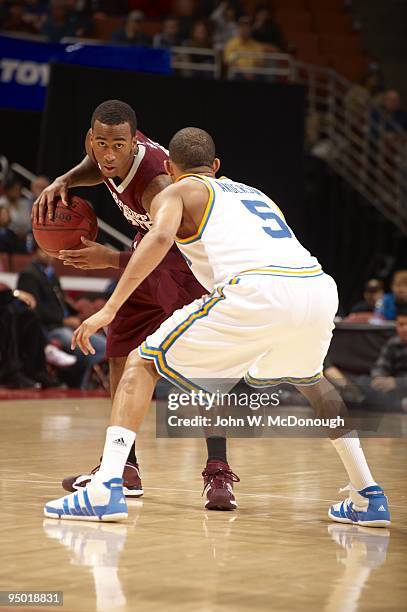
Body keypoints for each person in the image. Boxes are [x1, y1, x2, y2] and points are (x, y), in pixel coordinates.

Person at [44, 127, 390, 528]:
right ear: (217, 166)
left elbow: (157, 241)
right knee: (314, 382)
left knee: (141, 362)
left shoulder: (176, 191)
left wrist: (109, 309)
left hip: (257, 287)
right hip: (316, 286)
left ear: (171, 168)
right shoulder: (257, 194)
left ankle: (106, 488)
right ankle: (368, 494)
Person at [33, 100, 236, 508]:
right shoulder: (107, 151)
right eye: (102, 143)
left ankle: (219, 471)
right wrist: (65, 180)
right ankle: (122, 466)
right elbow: (98, 168)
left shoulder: (157, 183)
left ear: (132, 144)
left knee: (202, 370)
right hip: (148, 256)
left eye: (118, 146)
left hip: (187, 263)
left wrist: (107, 258)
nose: (109, 154)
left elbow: (167, 244)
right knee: (119, 352)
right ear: (92, 139)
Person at [17, 244, 106, 389]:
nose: (47, 254)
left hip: (65, 325)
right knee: (85, 348)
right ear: (35, 252)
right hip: (49, 328)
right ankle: (79, 385)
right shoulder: (29, 275)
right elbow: (35, 310)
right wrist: (63, 320)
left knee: (102, 345)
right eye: (43, 250)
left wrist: (75, 318)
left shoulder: (52, 275)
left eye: (49, 251)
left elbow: (61, 304)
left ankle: (81, 382)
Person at [369, 307, 407, 410]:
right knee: (364, 383)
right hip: (394, 391)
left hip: (400, 384)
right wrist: (378, 378)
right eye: (401, 325)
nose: (404, 329)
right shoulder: (393, 343)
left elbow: (395, 383)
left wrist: (397, 383)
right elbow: (380, 365)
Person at [223, 16, 265, 80]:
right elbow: (228, 61)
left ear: (251, 29)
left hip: (254, 73)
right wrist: (244, 73)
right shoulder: (231, 44)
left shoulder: (257, 45)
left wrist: (252, 72)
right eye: (242, 26)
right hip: (237, 73)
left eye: (247, 26)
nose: (245, 29)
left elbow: (260, 62)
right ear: (238, 28)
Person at [0, 174, 32, 241]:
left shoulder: (24, 203)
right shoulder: (2, 202)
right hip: (9, 236)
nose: (17, 192)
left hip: (25, 236)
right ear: (7, 190)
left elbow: (28, 223)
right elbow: (4, 223)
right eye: (14, 189)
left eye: (18, 189)